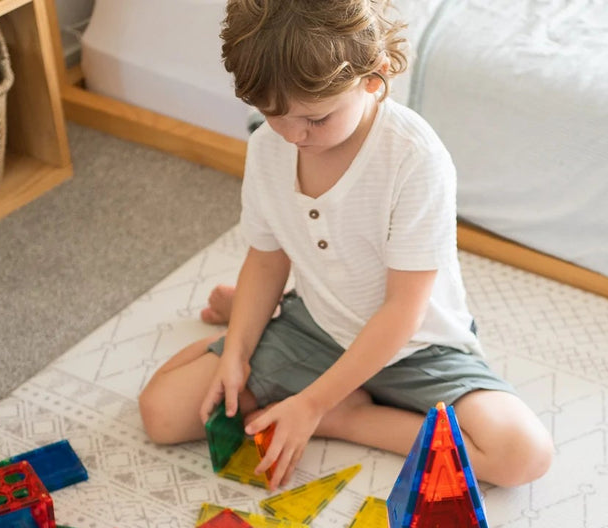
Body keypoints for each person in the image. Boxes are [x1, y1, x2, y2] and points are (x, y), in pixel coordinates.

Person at [138, 0, 553, 490]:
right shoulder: (270, 149)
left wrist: (316, 406)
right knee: (161, 414)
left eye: (315, 119)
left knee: (521, 455)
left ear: (373, 77)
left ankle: (348, 416)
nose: (295, 135)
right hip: (318, 330)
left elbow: (404, 312)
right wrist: (238, 352)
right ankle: (250, 321)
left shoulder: (415, 159)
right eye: (274, 114)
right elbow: (267, 259)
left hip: (418, 345)